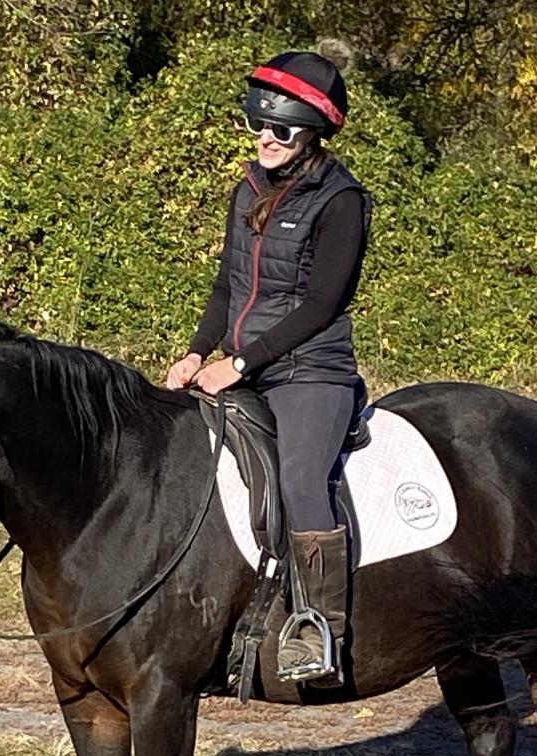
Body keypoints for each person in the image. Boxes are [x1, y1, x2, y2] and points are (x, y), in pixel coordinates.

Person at [165, 44, 372, 681]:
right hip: (243, 362)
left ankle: (318, 632)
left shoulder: (341, 200)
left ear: (312, 134)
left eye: (281, 129)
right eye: (258, 124)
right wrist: (200, 350)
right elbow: (228, 285)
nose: (266, 138)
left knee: (302, 481)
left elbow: (322, 303)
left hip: (312, 370)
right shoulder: (248, 189)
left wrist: (242, 361)